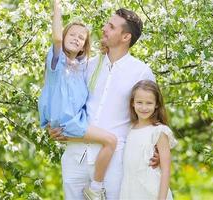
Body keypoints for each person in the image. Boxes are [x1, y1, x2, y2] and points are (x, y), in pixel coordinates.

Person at [48, 7, 159, 200]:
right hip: (76, 155)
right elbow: (68, 99)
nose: (104, 28)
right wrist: (54, 125)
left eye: (111, 26)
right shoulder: (86, 65)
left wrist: (155, 148)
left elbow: (150, 117)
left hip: (114, 160)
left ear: (125, 37)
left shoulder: (141, 72)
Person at [38, 0, 117, 199]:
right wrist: (57, 9)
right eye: (72, 34)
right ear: (64, 37)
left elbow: (98, 63)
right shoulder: (58, 63)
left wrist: (106, 47)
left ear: (83, 46)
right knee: (110, 141)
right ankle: (96, 189)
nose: (76, 38)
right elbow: (56, 38)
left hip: (72, 123)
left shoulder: (80, 67)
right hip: (67, 122)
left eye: (81, 38)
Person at [119, 80, 177, 200]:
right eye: (139, 102)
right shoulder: (129, 129)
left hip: (152, 193)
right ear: (132, 103)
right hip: (130, 191)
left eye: (149, 103)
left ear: (156, 104)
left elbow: (166, 170)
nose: (144, 107)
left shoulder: (159, 131)